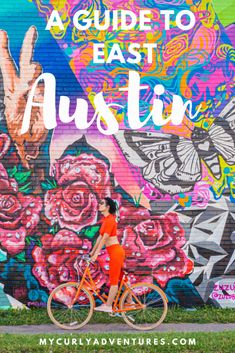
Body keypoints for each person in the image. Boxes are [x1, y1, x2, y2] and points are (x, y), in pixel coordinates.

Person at [89, 197, 134, 312]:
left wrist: (95, 255)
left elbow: (104, 239)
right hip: (115, 252)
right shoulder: (106, 220)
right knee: (121, 278)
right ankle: (130, 302)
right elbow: (99, 237)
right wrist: (92, 252)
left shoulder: (110, 220)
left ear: (107, 207)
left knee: (114, 281)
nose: (99, 205)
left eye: (102, 203)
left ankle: (108, 306)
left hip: (115, 253)